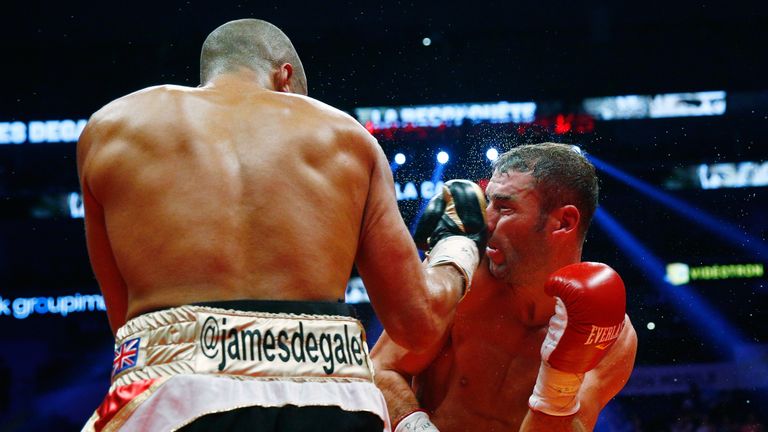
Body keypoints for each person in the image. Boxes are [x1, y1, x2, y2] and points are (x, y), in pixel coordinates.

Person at [77, 19, 484, 431]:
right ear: (285, 76)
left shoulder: (112, 128)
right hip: (332, 399)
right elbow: (417, 325)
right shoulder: (345, 135)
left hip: (176, 395)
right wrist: (457, 247)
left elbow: (124, 323)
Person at [372, 143, 639, 431]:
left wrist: (558, 381)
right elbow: (381, 369)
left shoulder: (609, 338)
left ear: (564, 222)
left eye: (504, 207)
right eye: (488, 203)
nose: (485, 221)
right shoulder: (462, 280)